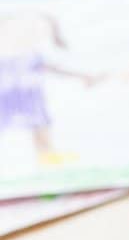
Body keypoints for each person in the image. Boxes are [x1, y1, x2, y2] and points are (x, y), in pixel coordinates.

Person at [0, 11, 96, 164]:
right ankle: (47, 158)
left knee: (41, 130)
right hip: (11, 97)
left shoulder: (30, 54)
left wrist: (83, 76)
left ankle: (48, 159)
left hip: (29, 96)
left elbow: (53, 68)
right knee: (39, 128)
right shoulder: (11, 53)